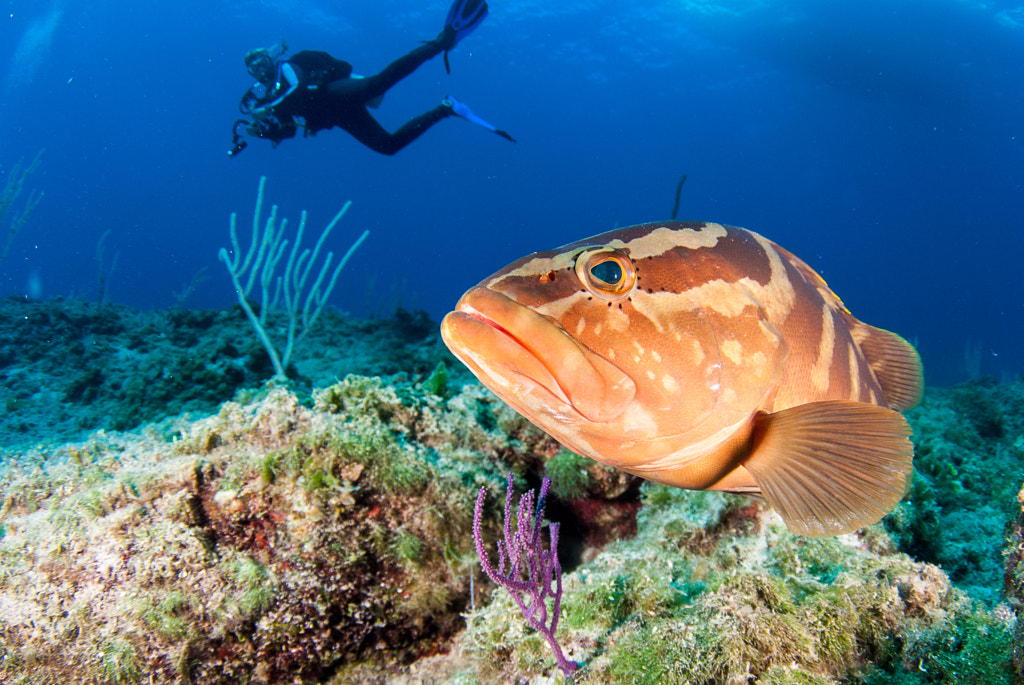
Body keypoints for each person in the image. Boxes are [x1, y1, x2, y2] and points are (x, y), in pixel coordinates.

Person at [228, 0, 514, 158]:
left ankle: (441, 42)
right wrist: (263, 132)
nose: (258, 67)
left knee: (378, 84)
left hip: (333, 94)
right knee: (387, 147)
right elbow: (289, 129)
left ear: (270, 59)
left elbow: (299, 87)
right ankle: (446, 108)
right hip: (336, 116)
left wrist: (268, 108)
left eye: (259, 60)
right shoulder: (268, 98)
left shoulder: (286, 69)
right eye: (251, 66)